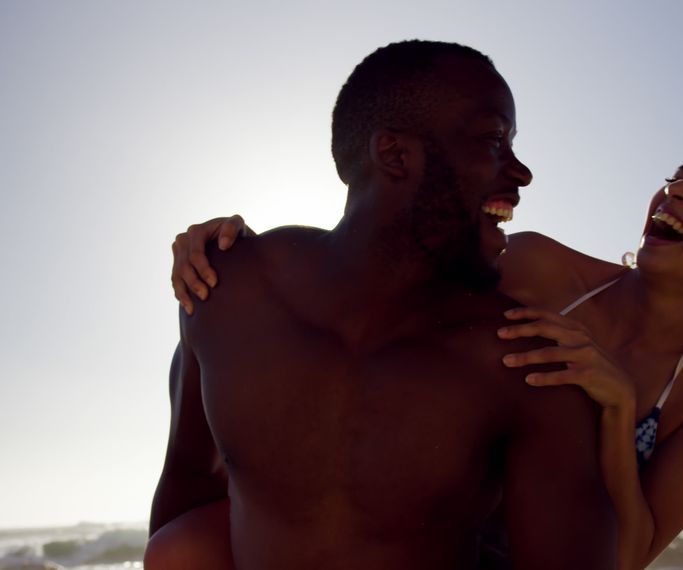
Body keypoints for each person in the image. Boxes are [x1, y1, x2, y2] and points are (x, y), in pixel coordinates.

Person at [172, 138, 683, 568]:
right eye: (679, 176)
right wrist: (250, 256)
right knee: (182, 548)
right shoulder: (540, 267)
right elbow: (383, 297)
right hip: (411, 528)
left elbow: (629, 555)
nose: (675, 191)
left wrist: (616, 414)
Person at [147, 40, 618, 570]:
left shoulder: (524, 364)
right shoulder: (225, 288)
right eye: (493, 140)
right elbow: (186, 484)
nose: (521, 173)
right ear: (395, 155)